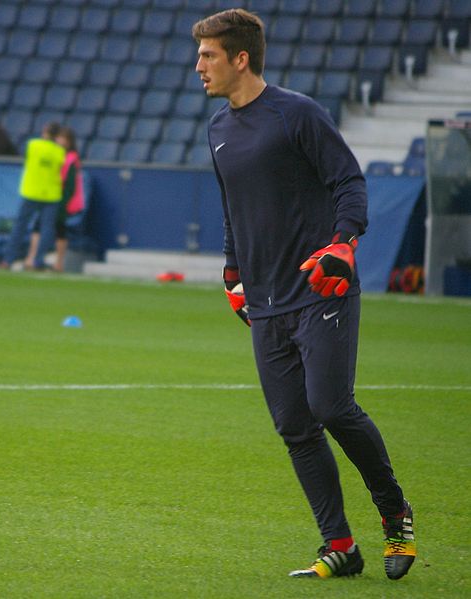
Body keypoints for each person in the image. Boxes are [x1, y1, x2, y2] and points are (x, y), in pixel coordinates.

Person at [193, 9, 416, 581]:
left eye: (208, 55)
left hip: (322, 291)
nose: (199, 66)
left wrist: (344, 244)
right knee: (295, 426)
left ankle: (395, 516)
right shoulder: (217, 129)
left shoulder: (297, 114)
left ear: (241, 58)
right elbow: (232, 210)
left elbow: (350, 181)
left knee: (331, 406)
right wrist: (232, 272)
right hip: (266, 302)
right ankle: (339, 545)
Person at [0, 122, 65, 271]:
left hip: (31, 191)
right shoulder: (60, 152)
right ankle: (38, 261)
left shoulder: (33, 145)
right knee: (47, 229)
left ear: (45, 132)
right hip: (51, 194)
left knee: (20, 226)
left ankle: (8, 260)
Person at [24, 126, 85, 272]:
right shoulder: (53, 153)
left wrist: (64, 202)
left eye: (64, 139)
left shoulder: (71, 158)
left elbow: (70, 184)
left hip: (60, 199)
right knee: (39, 227)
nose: (61, 141)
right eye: (59, 138)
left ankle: (58, 262)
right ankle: (32, 258)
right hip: (49, 195)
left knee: (59, 229)